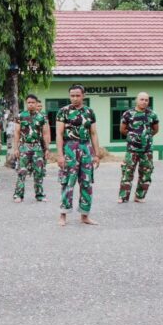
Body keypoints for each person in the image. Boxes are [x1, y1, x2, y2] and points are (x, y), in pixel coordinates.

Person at [56, 85, 100, 226]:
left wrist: (96, 154)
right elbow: (59, 134)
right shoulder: (63, 111)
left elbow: (93, 133)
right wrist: (60, 155)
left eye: (77, 95)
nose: (75, 98)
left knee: (86, 182)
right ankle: (63, 214)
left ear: (83, 96)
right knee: (68, 182)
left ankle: (85, 215)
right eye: (72, 95)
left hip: (85, 147)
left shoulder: (89, 112)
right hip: (70, 147)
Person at [117, 92, 159, 203]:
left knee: (146, 174)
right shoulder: (128, 114)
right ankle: (123, 197)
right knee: (127, 173)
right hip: (132, 150)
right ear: (136, 100)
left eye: (146, 100)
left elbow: (155, 130)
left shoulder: (152, 114)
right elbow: (122, 130)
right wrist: (134, 137)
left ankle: (139, 196)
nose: (144, 102)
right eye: (142, 99)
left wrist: (145, 138)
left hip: (147, 151)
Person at [12, 94, 50, 202]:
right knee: (22, 172)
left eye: (33, 102)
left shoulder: (42, 117)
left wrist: (47, 149)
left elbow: (46, 133)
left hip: (37, 147)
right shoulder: (20, 116)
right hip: (24, 146)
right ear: (26, 103)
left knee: (39, 171)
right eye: (29, 102)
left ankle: (40, 195)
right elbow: (17, 133)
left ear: (36, 103)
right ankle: (18, 195)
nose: (31, 104)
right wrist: (16, 149)